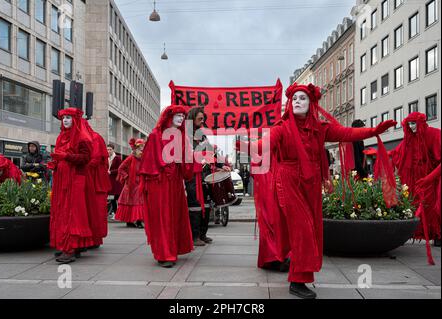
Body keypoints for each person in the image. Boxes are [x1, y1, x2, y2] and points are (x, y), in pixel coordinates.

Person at [240, 83, 396, 299]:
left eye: (302, 98)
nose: (297, 102)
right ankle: (297, 281)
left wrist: (373, 130)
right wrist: (245, 145)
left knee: (311, 229)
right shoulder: (282, 128)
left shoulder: (320, 129)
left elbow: (347, 132)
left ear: (311, 103)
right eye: (294, 98)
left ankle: (300, 274)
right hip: (288, 180)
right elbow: (264, 144)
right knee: (302, 228)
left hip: (311, 181)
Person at [141, 105, 194, 268]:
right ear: (168, 117)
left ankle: (171, 249)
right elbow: (151, 161)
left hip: (175, 182)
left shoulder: (182, 136)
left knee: (174, 215)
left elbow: (187, 162)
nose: (181, 119)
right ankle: (165, 253)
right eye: (178, 115)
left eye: (183, 116)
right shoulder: (155, 135)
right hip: (160, 181)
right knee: (162, 216)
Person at [390, 112, 441, 259]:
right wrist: (381, 152)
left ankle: (437, 234)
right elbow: (398, 152)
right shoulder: (410, 139)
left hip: (433, 180)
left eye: (414, 123)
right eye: (409, 124)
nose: (412, 127)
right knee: (416, 205)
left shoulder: (435, 135)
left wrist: (430, 178)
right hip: (417, 181)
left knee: (433, 207)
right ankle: (418, 232)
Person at [48, 108, 94, 264]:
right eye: (63, 118)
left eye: (68, 117)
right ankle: (69, 246)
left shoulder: (82, 137)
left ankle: (70, 248)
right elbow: (62, 156)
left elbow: (86, 158)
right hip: (62, 179)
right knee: (63, 211)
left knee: (72, 212)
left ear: (75, 119)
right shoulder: (61, 136)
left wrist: (66, 156)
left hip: (75, 179)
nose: (65, 120)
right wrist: (55, 163)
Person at [185, 107, 231, 246]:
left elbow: (211, 151)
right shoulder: (185, 135)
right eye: (200, 118)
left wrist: (221, 164)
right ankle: (194, 236)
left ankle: (203, 234)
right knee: (195, 206)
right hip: (191, 176)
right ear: (192, 118)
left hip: (204, 175)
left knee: (207, 204)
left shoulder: (202, 136)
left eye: (203, 118)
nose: (202, 121)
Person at [84, 121, 112, 249]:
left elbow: (94, 159)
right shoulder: (92, 137)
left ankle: (95, 238)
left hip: (95, 180)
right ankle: (93, 238)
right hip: (93, 179)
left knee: (97, 210)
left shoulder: (94, 137)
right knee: (92, 211)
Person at [115, 138, 146, 229]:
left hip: (140, 183)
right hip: (131, 184)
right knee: (130, 202)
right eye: (140, 148)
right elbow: (121, 168)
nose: (142, 150)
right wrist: (127, 177)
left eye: (143, 148)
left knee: (139, 202)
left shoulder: (145, 158)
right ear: (135, 149)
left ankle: (139, 220)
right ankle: (130, 221)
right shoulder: (130, 158)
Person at [108, 144, 123, 217]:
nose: (108, 151)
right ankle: (115, 213)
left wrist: (111, 172)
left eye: (110, 149)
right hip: (109, 181)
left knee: (118, 197)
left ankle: (120, 213)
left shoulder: (117, 158)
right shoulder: (107, 158)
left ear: (113, 150)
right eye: (107, 149)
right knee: (112, 198)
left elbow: (120, 169)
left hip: (116, 181)